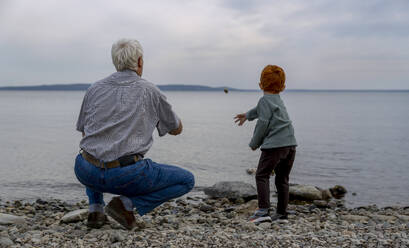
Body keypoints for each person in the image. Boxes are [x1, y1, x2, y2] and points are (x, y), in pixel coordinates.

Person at [74, 38, 195, 230]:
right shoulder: (150, 91)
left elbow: (84, 133)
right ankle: (125, 204)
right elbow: (176, 129)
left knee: (95, 147)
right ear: (139, 61)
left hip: (85, 171)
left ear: (115, 61)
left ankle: (95, 209)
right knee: (187, 180)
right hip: (126, 175)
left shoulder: (94, 89)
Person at [234, 65, 297, 224]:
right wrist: (248, 115)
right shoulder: (277, 100)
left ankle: (263, 211)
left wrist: (254, 143)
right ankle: (281, 214)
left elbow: (263, 122)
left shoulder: (264, 100)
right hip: (290, 144)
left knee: (261, 175)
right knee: (282, 179)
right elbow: (262, 110)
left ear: (261, 83)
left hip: (275, 146)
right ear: (282, 85)